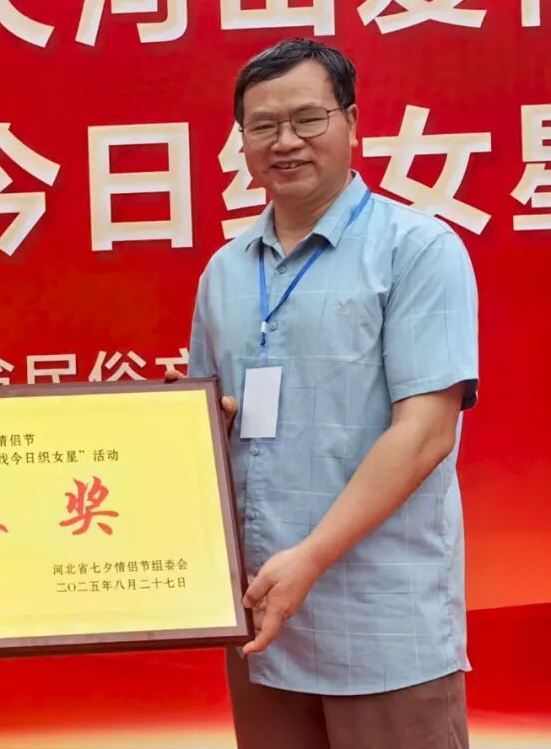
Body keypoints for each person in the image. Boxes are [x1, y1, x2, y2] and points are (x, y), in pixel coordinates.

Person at [187, 39, 478, 749]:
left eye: (308, 118)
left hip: (381, 627)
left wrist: (311, 558)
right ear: (242, 142)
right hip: (262, 626)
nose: (285, 141)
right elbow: (207, 425)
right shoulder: (225, 271)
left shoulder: (417, 249)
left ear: (351, 122)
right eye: (262, 125)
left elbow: (425, 433)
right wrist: (196, 426)